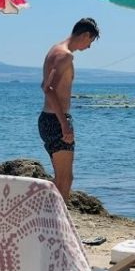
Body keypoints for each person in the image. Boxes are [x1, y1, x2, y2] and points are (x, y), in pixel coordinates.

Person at [40, 17, 99, 200]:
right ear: (86, 35)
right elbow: (48, 88)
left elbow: (47, 86)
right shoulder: (66, 55)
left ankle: (52, 220)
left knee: (62, 178)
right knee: (65, 179)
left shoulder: (54, 49)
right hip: (56, 120)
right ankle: (57, 224)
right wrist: (64, 123)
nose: (89, 47)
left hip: (48, 119)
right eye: (91, 41)